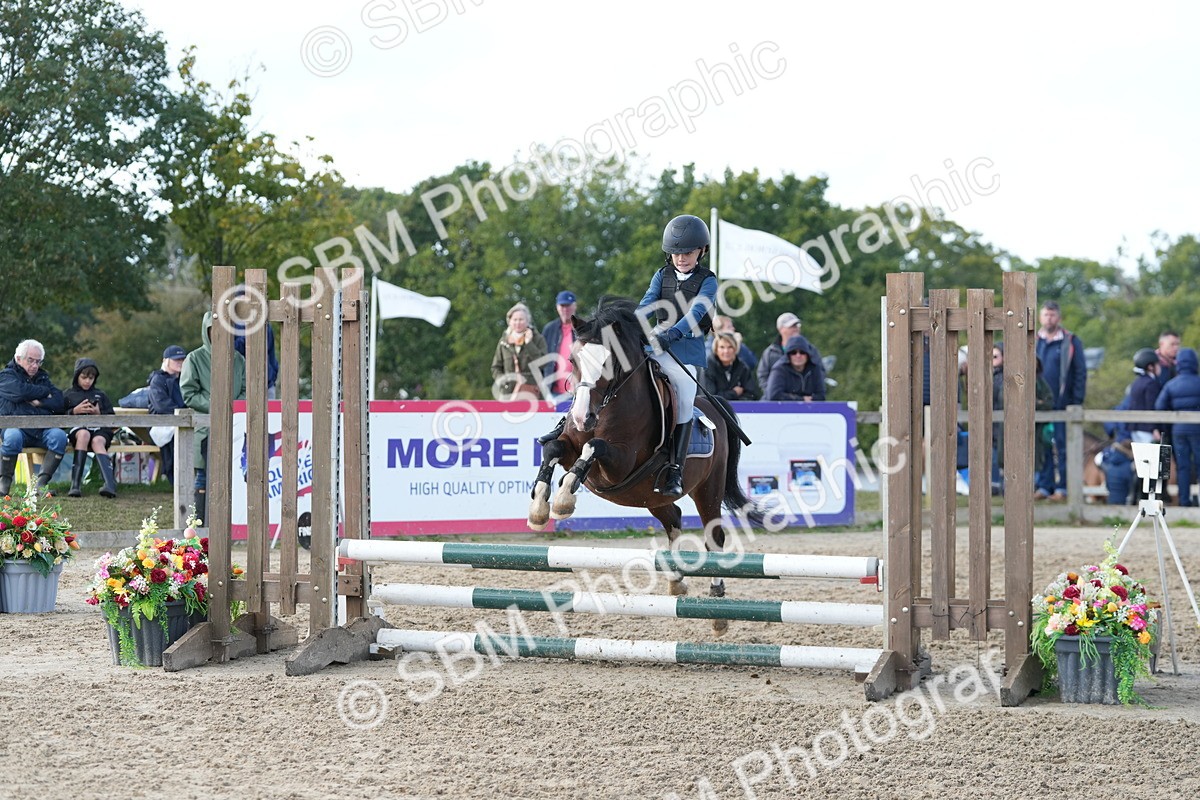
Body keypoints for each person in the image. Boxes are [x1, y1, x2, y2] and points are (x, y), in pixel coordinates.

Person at [638, 214, 718, 497]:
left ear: (701, 251)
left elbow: (697, 313)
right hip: (657, 343)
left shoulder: (708, 281)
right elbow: (647, 303)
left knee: (684, 398)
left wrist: (672, 333)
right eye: (675, 253)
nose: (681, 258)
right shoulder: (662, 275)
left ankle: (675, 468)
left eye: (687, 252)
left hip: (687, 349)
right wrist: (630, 324)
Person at [181, 312, 246, 525]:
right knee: (203, 478)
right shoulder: (194, 358)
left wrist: (234, 407)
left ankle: (229, 525)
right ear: (206, 331)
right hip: (205, 430)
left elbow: (246, 389)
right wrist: (218, 406)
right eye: (214, 329)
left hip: (234, 428)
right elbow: (189, 393)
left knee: (233, 477)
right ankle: (200, 527)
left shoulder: (238, 359)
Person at [0, 340, 68, 496]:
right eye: (30, 360)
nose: (35, 365)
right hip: (16, 428)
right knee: (12, 437)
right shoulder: (5, 376)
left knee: (59, 436)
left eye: (38, 361)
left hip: (41, 429)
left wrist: (39, 402)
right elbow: (20, 392)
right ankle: (4, 485)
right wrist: (45, 392)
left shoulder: (43, 377)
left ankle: (41, 485)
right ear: (18, 358)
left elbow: (59, 401)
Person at [1034, 300, 1087, 501]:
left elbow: (1080, 372)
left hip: (1063, 405)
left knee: (1063, 447)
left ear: (1059, 317)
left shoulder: (1070, 341)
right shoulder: (1033, 340)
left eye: (1053, 315)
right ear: (1040, 317)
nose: (1049, 318)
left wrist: (1076, 401)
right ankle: (1044, 487)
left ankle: (1063, 488)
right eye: (1046, 314)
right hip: (1040, 406)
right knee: (1042, 447)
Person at [62, 357, 118, 498]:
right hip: (79, 430)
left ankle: (110, 485)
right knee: (83, 435)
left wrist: (99, 413)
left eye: (91, 378)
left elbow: (113, 419)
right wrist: (74, 411)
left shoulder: (101, 395)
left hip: (100, 430)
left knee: (97, 441)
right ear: (77, 376)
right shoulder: (68, 394)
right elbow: (58, 417)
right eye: (84, 377)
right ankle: (75, 485)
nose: (87, 381)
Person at [1155, 347, 1200, 507]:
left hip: (1178, 431)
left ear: (1178, 364)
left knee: (1183, 467)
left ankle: (1184, 501)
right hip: (1198, 430)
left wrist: (1165, 428)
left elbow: (1159, 406)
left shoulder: (1171, 385)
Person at [148, 345, 188, 486]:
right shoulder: (157, 380)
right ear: (166, 360)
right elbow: (161, 405)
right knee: (173, 440)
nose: (180, 362)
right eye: (176, 359)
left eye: (182, 359)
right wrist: (182, 412)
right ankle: (175, 482)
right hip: (162, 425)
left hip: (184, 421)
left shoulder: (187, 378)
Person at [490, 303, 547, 399]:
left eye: (521, 319)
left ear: (527, 321)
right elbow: (495, 367)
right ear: (509, 321)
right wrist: (503, 381)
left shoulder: (538, 339)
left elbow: (542, 363)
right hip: (508, 394)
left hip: (532, 393)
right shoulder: (503, 342)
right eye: (515, 320)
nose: (518, 323)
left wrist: (529, 344)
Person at [757, 312, 825, 392]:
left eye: (797, 325)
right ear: (781, 329)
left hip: (806, 400)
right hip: (776, 400)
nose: (795, 329)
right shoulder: (770, 352)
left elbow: (820, 372)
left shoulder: (811, 350)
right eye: (791, 326)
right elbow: (763, 376)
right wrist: (773, 392)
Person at [232, 287, 280, 399]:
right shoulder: (231, 326)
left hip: (266, 383)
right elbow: (234, 350)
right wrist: (250, 335)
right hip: (240, 386)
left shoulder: (264, 325)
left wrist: (272, 375)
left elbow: (269, 349)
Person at [765, 335, 826, 402]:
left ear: (807, 355)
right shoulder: (779, 369)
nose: (798, 355)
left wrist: (809, 400)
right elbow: (773, 395)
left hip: (808, 410)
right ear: (788, 355)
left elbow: (821, 395)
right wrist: (801, 400)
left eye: (802, 352)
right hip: (781, 410)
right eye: (793, 352)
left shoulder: (814, 369)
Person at [702, 332, 761, 401]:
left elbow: (752, 394)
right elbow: (711, 397)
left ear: (735, 349)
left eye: (730, 347)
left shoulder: (742, 367)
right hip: (712, 410)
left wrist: (737, 402)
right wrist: (734, 393)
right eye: (722, 347)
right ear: (716, 350)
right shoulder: (708, 367)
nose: (726, 351)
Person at [541, 290, 577, 401]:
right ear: (557, 307)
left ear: (575, 306)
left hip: (578, 391)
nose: (565, 309)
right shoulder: (549, 329)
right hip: (554, 392)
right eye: (562, 306)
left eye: (568, 305)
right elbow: (542, 358)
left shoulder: (584, 327)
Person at [1127, 348, 1163, 444]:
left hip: (1135, 427)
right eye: (1157, 364)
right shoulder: (1151, 383)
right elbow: (1150, 406)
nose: (1159, 367)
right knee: (1150, 458)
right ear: (1150, 367)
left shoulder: (1136, 382)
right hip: (1147, 428)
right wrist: (1154, 428)